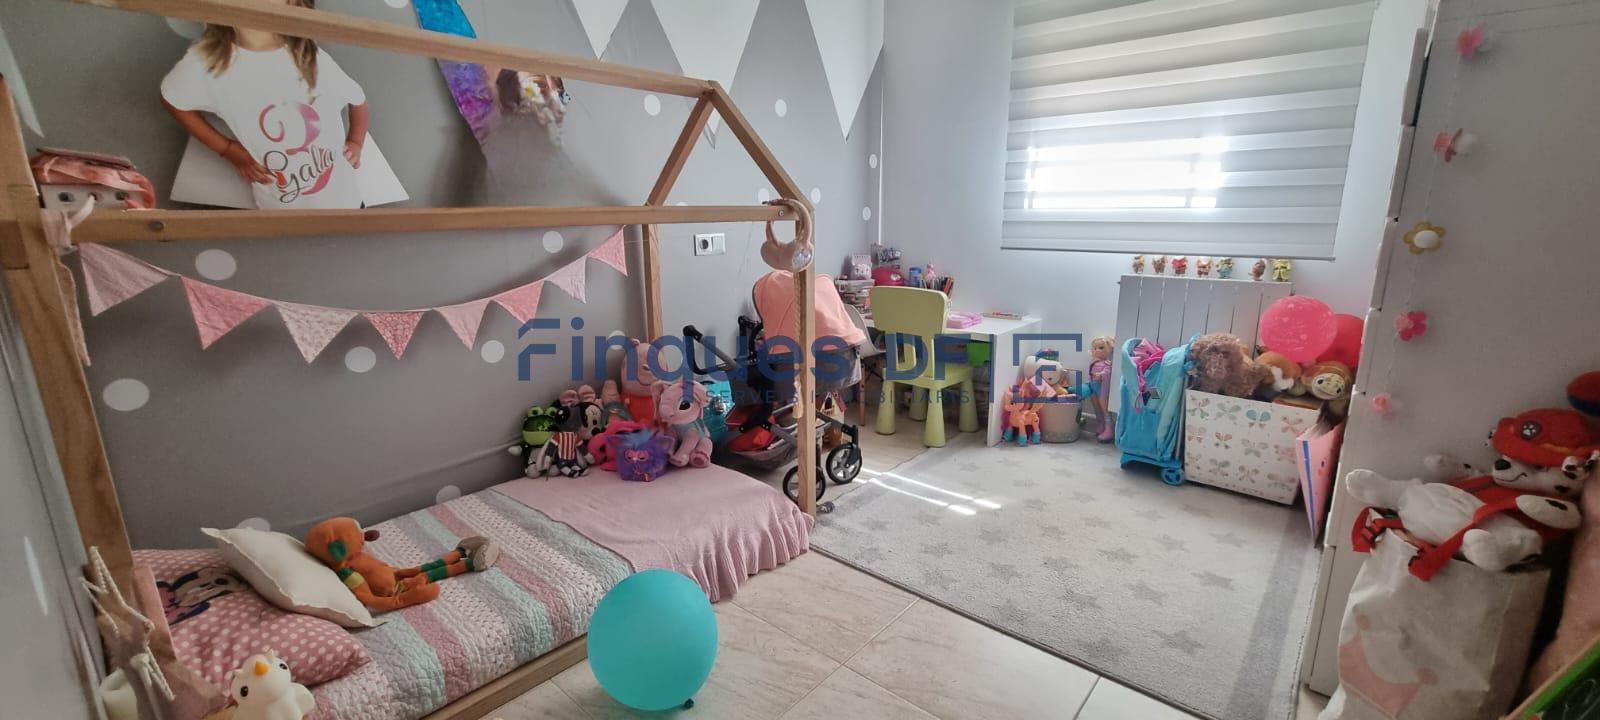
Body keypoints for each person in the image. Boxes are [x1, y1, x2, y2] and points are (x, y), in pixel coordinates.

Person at [160, 0, 368, 209]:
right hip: (277, 210)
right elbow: (172, 100)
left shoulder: (310, 55)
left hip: (346, 202)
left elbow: (358, 101)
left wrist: (356, 141)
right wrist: (227, 149)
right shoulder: (205, 64)